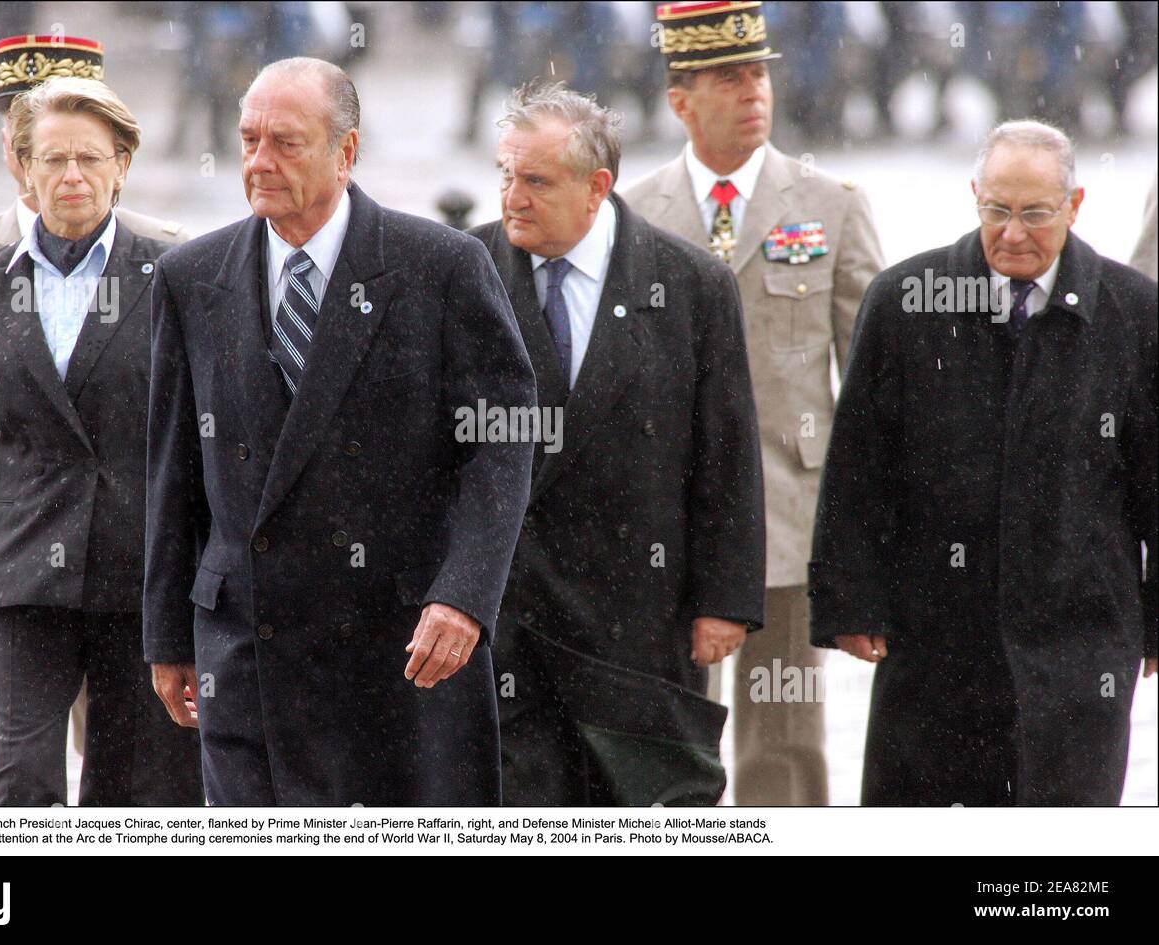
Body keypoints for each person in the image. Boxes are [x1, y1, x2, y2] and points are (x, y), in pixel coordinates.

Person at [143, 57, 536, 806]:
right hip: (249, 653)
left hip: (404, 649)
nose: (259, 161)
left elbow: (503, 440)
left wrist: (464, 595)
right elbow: (173, 471)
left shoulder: (441, 267)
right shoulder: (190, 278)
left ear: (346, 152)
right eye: (248, 139)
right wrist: (167, 635)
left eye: (286, 143)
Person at [809, 120, 1158, 806]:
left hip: (1080, 637)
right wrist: (851, 599)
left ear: (1075, 204)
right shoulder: (904, 300)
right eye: (996, 210)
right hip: (934, 637)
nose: (1013, 233)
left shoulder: (1134, 313)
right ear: (974, 196)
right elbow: (857, 469)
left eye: (1035, 213)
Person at [0, 33, 188, 801]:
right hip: (22, 569)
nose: (70, 174)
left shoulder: (172, 267)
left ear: (120, 163)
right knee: (15, 773)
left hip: (134, 570)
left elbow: (200, 434)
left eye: (89, 156)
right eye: (50, 156)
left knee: (132, 783)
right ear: (19, 166)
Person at [470, 83, 765, 806]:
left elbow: (726, 455)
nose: (513, 196)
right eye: (506, 175)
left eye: (536, 181)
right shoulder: (465, 270)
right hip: (511, 616)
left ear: (597, 186)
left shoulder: (691, 284)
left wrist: (724, 600)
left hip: (643, 618)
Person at [624, 0, 883, 805]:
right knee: (669, 733)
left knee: (787, 739)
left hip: (785, 514)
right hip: (665, 520)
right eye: (730, 79)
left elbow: (875, 392)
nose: (755, 93)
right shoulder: (631, 213)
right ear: (680, 98)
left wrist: (869, 536)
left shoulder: (830, 204)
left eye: (760, 75)